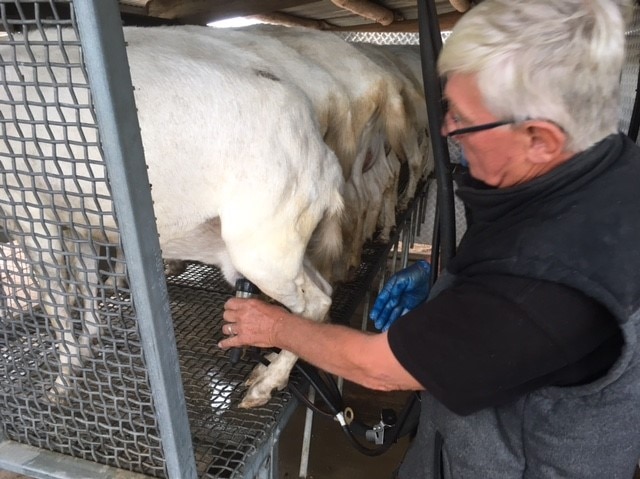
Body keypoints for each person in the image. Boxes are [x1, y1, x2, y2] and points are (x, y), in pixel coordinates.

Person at [219, 0, 640, 476]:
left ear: (539, 138)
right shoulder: (604, 170)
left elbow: (377, 368)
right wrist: (442, 279)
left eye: (462, 118)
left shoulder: (552, 283)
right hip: (469, 443)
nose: (447, 130)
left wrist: (274, 327)